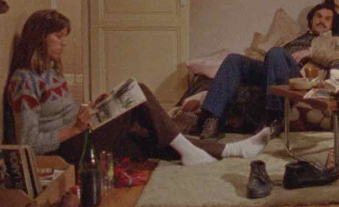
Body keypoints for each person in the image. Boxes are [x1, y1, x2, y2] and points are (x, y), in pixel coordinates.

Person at [3, 10, 271, 167]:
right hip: (65, 152)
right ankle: (196, 151)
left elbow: (64, 113)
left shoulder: (50, 71)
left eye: (65, 37)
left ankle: (232, 151)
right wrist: (74, 128)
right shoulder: (24, 81)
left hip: (80, 135)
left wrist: (94, 107)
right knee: (138, 92)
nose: (64, 43)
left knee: (148, 137)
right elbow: (29, 143)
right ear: (39, 38)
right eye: (58, 37)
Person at [198, 3, 339, 140]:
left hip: (298, 77)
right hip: (272, 68)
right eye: (319, 16)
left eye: (327, 19)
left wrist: (311, 52)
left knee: (276, 52)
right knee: (234, 60)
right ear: (311, 19)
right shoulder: (294, 36)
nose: (322, 21)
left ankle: (273, 119)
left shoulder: (335, 40)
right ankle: (213, 120)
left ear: (332, 24)